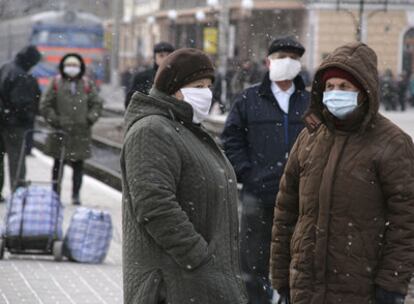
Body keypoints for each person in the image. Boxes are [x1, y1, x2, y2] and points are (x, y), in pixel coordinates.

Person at [270, 42, 414, 304]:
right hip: (306, 288)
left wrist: (391, 283)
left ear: (363, 91)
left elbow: (406, 221)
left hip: (361, 289)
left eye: (345, 87)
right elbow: (285, 211)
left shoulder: (393, 143)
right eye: (330, 86)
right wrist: (281, 277)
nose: (335, 93)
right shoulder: (310, 138)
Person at [121, 48, 248, 304]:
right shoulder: (152, 130)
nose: (206, 93)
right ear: (174, 89)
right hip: (173, 284)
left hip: (195, 282)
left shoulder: (185, 129)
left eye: (208, 85)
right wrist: (198, 256)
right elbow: (154, 205)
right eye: (197, 85)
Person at [221, 36, 310, 304]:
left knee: (297, 258)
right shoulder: (249, 99)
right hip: (257, 195)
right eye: (282, 56)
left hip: (300, 197)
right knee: (252, 261)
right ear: (268, 61)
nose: (288, 62)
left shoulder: (309, 101)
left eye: (294, 58)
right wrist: (248, 173)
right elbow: (231, 140)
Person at [40, 53, 103, 205]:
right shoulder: (55, 82)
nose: (72, 68)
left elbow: (97, 104)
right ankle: (55, 195)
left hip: (80, 132)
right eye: (69, 65)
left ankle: (76, 195)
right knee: (57, 164)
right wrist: (55, 121)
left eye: (75, 66)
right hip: (59, 131)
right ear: (63, 66)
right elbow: (45, 105)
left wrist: (89, 119)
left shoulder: (86, 84)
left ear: (80, 67)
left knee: (78, 166)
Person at [0, 45, 41, 192]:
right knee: (16, 159)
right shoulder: (21, 76)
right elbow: (21, 104)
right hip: (14, 125)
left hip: (3, 121)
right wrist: (28, 117)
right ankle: (18, 191)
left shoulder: (6, 67)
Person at [124, 42, 175, 108]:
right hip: (148, 115)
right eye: (161, 56)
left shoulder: (179, 76)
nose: (165, 58)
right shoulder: (142, 77)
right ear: (155, 58)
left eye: (168, 55)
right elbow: (131, 101)